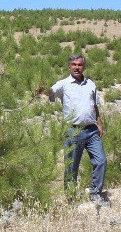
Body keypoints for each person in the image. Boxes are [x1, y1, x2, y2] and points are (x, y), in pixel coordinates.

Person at [42, 53, 108, 204]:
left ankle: (95, 193)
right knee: (71, 167)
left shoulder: (91, 84)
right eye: (74, 65)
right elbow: (50, 92)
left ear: (84, 66)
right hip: (73, 131)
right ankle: (71, 199)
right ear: (69, 66)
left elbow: (95, 106)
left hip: (91, 130)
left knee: (101, 161)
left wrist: (100, 124)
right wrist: (42, 88)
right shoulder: (63, 84)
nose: (77, 67)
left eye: (80, 64)